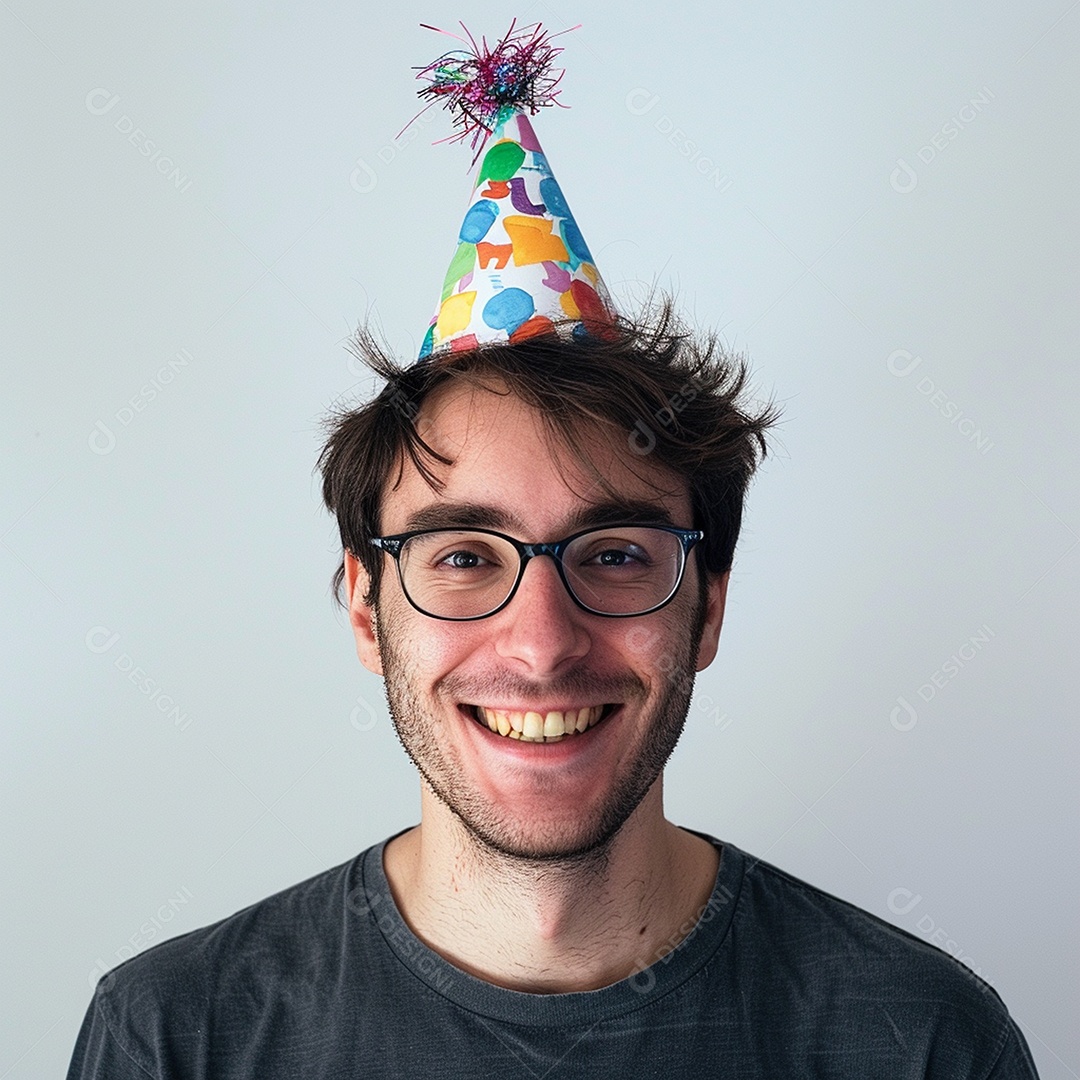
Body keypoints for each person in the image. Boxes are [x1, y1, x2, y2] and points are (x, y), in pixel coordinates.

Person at [67, 22, 1040, 1079]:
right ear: (364, 609)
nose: (540, 647)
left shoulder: (923, 1038)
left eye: (615, 555)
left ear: (706, 608)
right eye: (464, 557)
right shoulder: (175, 1036)